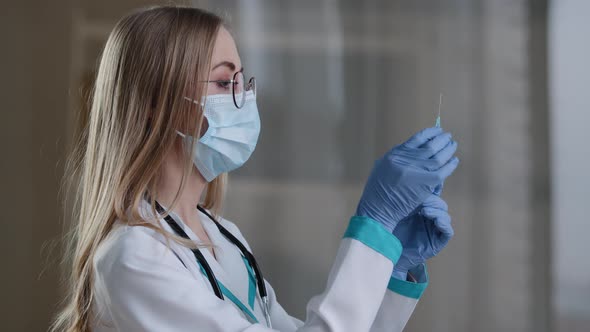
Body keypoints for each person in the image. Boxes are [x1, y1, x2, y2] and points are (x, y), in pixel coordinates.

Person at [52, 5, 459, 332]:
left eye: (243, 81)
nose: (244, 99)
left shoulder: (222, 236)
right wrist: (373, 226)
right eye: (223, 82)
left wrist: (393, 263)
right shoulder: (132, 258)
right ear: (155, 105)